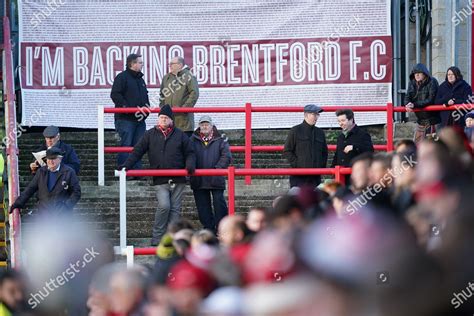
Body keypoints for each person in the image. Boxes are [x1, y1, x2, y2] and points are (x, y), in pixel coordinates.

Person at [121, 104, 196, 246]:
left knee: (175, 209)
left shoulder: (180, 135)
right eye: (161, 117)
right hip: (160, 178)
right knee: (164, 206)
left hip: (179, 178)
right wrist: (126, 165)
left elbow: (190, 152)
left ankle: (173, 238)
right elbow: (138, 151)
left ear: (171, 120)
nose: (163, 120)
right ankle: (157, 238)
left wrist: (190, 164)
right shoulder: (149, 134)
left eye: (166, 118)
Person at [190, 115, 232, 233]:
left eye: (207, 124)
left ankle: (222, 229)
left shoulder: (221, 139)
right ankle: (209, 229)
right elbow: (188, 154)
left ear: (212, 126)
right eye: (202, 124)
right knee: (202, 206)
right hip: (198, 177)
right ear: (199, 126)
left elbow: (226, 156)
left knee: (219, 204)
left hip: (216, 177)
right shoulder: (192, 140)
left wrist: (217, 169)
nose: (204, 126)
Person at [10, 147, 81, 214]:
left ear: (60, 159)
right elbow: (30, 189)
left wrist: (66, 206)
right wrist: (17, 203)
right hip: (44, 214)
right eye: (48, 159)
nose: (50, 161)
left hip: (62, 215)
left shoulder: (69, 172)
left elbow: (76, 192)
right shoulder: (41, 172)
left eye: (53, 159)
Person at [111, 53, 150, 169]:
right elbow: (115, 95)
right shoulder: (121, 77)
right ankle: (124, 171)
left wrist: (146, 111)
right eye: (140, 62)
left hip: (139, 120)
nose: (142, 65)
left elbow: (145, 98)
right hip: (125, 119)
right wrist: (127, 108)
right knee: (126, 145)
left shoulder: (140, 80)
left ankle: (136, 172)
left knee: (138, 146)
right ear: (132, 64)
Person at [283, 104, 328, 188]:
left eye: (317, 114)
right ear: (306, 115)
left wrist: (320, 167)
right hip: (299, 176)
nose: (316, 117)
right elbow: (287, 150)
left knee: (315, 200)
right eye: (314, 114)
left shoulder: (320, 133)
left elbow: (324, 152)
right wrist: (298, 164)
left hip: (315, 177)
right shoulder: (295, 130)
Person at [331, 109, 374, 184]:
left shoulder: (363, 134)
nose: (340, 123)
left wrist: (354, 147)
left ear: (351, 120)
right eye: (339, 121)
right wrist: (332, 171)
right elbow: (337, 155)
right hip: (341, 176)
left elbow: (370, 151)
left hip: (357, 176)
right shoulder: (340, 137)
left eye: (343, 120)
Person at [160, 56, 199, 136]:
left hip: (184, 121)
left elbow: (194, 93)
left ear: (180, 65)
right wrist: (163, 110)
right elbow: (162, 95)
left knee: (184, 146)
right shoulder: (166, 78)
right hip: (168, 121)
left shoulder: (189, 76)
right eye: (169, 64)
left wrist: (184, 109)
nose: (170, 66)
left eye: (172, 64)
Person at [404, 63, 440, 143]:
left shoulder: (432, 81)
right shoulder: (412, 83)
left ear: (424, 73)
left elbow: (431, 100)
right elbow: (407, 96)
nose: (416, 75)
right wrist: (407, 104)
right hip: (420, 120)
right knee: (417, 147)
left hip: (433, 120)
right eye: (415, 73)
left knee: (432, 147)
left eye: (419, 73)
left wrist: (414, 104)